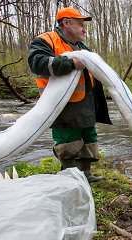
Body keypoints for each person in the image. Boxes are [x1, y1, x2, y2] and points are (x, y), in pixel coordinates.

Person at [28, 7, 112, 182]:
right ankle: (70, 176)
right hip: (62, 105)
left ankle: (86, 174)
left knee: (89, 138)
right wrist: (71, 63)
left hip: (85, 104)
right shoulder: (46, 40)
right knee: (68, 140)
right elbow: (38, 63)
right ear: (66, 22)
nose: (84, 29)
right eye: (81, 24)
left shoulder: (83, 47)